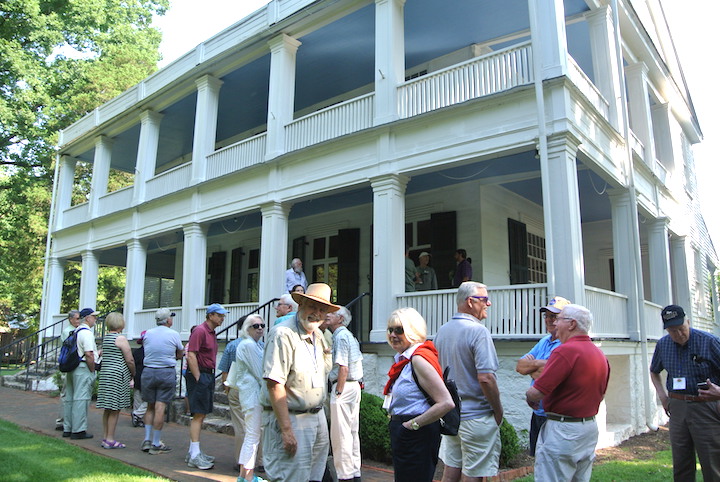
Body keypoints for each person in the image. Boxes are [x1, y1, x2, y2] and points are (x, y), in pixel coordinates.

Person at [261, 283, 337, 482]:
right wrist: (286, 430)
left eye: (322, 309)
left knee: (314, 477)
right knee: (289, 476)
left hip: (317, 416)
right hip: (292, 419)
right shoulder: (282, 334)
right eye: (312, 306)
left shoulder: (319, 336)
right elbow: (274, 384)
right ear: (301, 303)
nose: (317, 313)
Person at [526, 304, 610, 482]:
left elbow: (537, 392)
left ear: (572, 324)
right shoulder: (599, 354)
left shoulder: (564, 351)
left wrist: (530, 395)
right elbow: (600, 394)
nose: (554, 323)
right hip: (588, 427)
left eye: (558, 319)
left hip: (562, 430)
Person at [434, 281, 503, 480]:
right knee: (474, 474)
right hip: (476, 417)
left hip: (452, 416)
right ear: (471, 302)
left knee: (451, 469)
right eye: (485, 300)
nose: (488, 304)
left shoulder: (443, 331)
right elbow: (486, 378)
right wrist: (498, 411)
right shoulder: (478, 331)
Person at [649, 304, 720, 481]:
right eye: (673, 331)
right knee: (681, 462)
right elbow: (654, 371)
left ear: (688, 322)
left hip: (706, 406)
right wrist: (663, 397)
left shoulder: (709, 341)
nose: (679, 334)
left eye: (682, 328)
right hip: (678, 406)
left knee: (712, 461)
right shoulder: (663, 345)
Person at [384, 307, 455, 482]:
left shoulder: (419, 359)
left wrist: (412, 426)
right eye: (390, 330)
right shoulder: (405, 359)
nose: (393, 335)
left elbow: (446, 402)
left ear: (412, 331)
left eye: (399, 330)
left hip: (416, 435)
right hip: (407, 433)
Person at [515, 296, 571, 456]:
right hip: (538, 412)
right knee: (539, 462)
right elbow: (520, 366)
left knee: (555, 462)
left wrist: (534, 366)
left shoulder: (566, 344)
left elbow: (551, 373)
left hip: (556, 416)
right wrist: (540, 365)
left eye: (554, 316)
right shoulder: (544, 341)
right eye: (547, 315)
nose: (549, 320)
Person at [185, 303, 227, 469]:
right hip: (201, 374)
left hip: (207, 374)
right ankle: (195, 455)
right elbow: (191, 355)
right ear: (210, 316)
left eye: (223, 315)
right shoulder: (200, 331)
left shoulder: (211, 332)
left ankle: (193, 452)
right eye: (219, 315)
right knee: (198, 414)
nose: (222, 318)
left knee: (201, 414)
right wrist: (198, 377)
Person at [326, 306, 363, 482]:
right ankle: (355, 473)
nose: (327, 315)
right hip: (354, 386)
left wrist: (338, 391)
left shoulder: (340, 336)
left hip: (344, 387)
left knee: (340, 435)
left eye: (331, 314)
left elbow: (343, 367)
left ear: (340, 319)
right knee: (352, 431)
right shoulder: (348, 336)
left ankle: (344, 476)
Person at [140, 308, 184, 455]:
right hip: (166, 371)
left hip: (148, 371)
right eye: (171, 317)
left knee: (149, 407)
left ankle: (146, 439)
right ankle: (156, 442)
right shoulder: (174, 334)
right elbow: (180, 353)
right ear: (168, 320)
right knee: (160, 407)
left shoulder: (148, 334)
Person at [233, 314, 266, 482]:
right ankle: (248, 476)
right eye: (255, 326)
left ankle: (243, 475)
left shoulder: (255, 345)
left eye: (262, 325)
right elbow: (260, 373)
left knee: (251, 436)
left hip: (252, 396)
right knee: (252, 437)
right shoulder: (248, 345)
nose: (260, 328)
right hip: (252, 396)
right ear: (247, 329)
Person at [97, 312, 135, 449]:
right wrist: (133, 373)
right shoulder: (121, 338)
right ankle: (110, 439)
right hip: (117, 376)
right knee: (115, 409)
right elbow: (129, 359)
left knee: (108, 408)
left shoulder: (106, 338)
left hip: (106, 375)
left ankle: (105, 437)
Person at [63, 307, 99, 439]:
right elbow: (89, 354)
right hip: (83, 367)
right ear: (87, 318)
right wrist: (92, 369)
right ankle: (78, 430)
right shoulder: (87, 333)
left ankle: (68, 427)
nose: (95, 319)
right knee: (81, 398)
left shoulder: (76, 331)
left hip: (72, 367)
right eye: (93, 316)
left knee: (70, 398)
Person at [219, 326, 248, 469]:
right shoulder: (261, 345)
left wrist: (226, 389)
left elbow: (225, 370)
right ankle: (259, 460)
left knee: (240, 425)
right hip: (254, 389)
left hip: (236, 388)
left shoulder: (232, 345)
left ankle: (241, 461)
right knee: (257, 426)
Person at [56, 309, 80, 432]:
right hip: (67, 365)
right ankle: (61, 421)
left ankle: (69, 419)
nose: (79, 320)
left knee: (71, 394)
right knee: (66, 394)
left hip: (73, 366)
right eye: (76, 318)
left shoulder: (77, 330)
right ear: (70, 319)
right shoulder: (68, 332)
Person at [131, 331, 147, 427]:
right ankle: (137, 417)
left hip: (141, 377)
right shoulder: (146, 353)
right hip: (142, 377)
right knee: (142, 399)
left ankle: (137, 415)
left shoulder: (137, 352)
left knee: (140, 399)